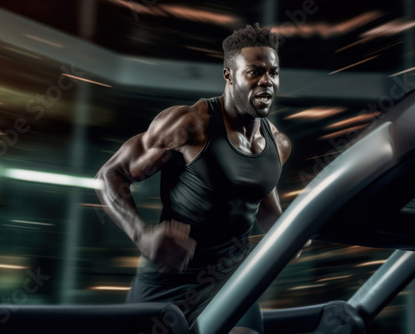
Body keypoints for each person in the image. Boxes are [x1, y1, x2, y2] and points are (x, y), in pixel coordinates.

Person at [96, 23, 290, 334]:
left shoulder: (278, 144)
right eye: (255, 72)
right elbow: (110, 175)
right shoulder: (189, 125)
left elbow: (265, 207)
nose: (267, 81)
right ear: (228, 75)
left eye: (274, 72)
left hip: (230, 285)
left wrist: (302, 231)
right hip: (167, 285)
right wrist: (142, 235)